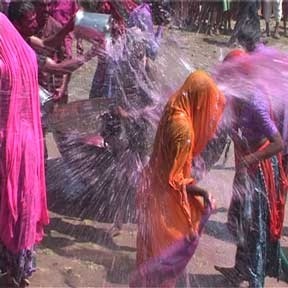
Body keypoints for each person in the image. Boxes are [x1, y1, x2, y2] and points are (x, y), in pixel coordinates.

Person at [131, 70, 225, 287]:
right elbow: (175, 181)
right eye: (208, 101)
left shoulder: (173, 107)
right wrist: (202, 193)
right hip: (166, 203)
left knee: (149, 256)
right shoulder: (184, 131)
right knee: (166, 263)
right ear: (200, 100)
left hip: (152, 191)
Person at [214, 47, 287, 287]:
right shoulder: (237, 98)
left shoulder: (255, 101)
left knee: (256, 228)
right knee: (240, 221)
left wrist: (251, 159)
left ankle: (257, 281)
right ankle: (240, 270)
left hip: (262, 170)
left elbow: (278, 143)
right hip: (247, 165)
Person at [0, 12, 49, 287]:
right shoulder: (26, 56)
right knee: (23, 201)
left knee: (6, 204)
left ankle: (7, 272)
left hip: (6, 143)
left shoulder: (3, 64)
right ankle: (17, 271)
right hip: (29, 142)